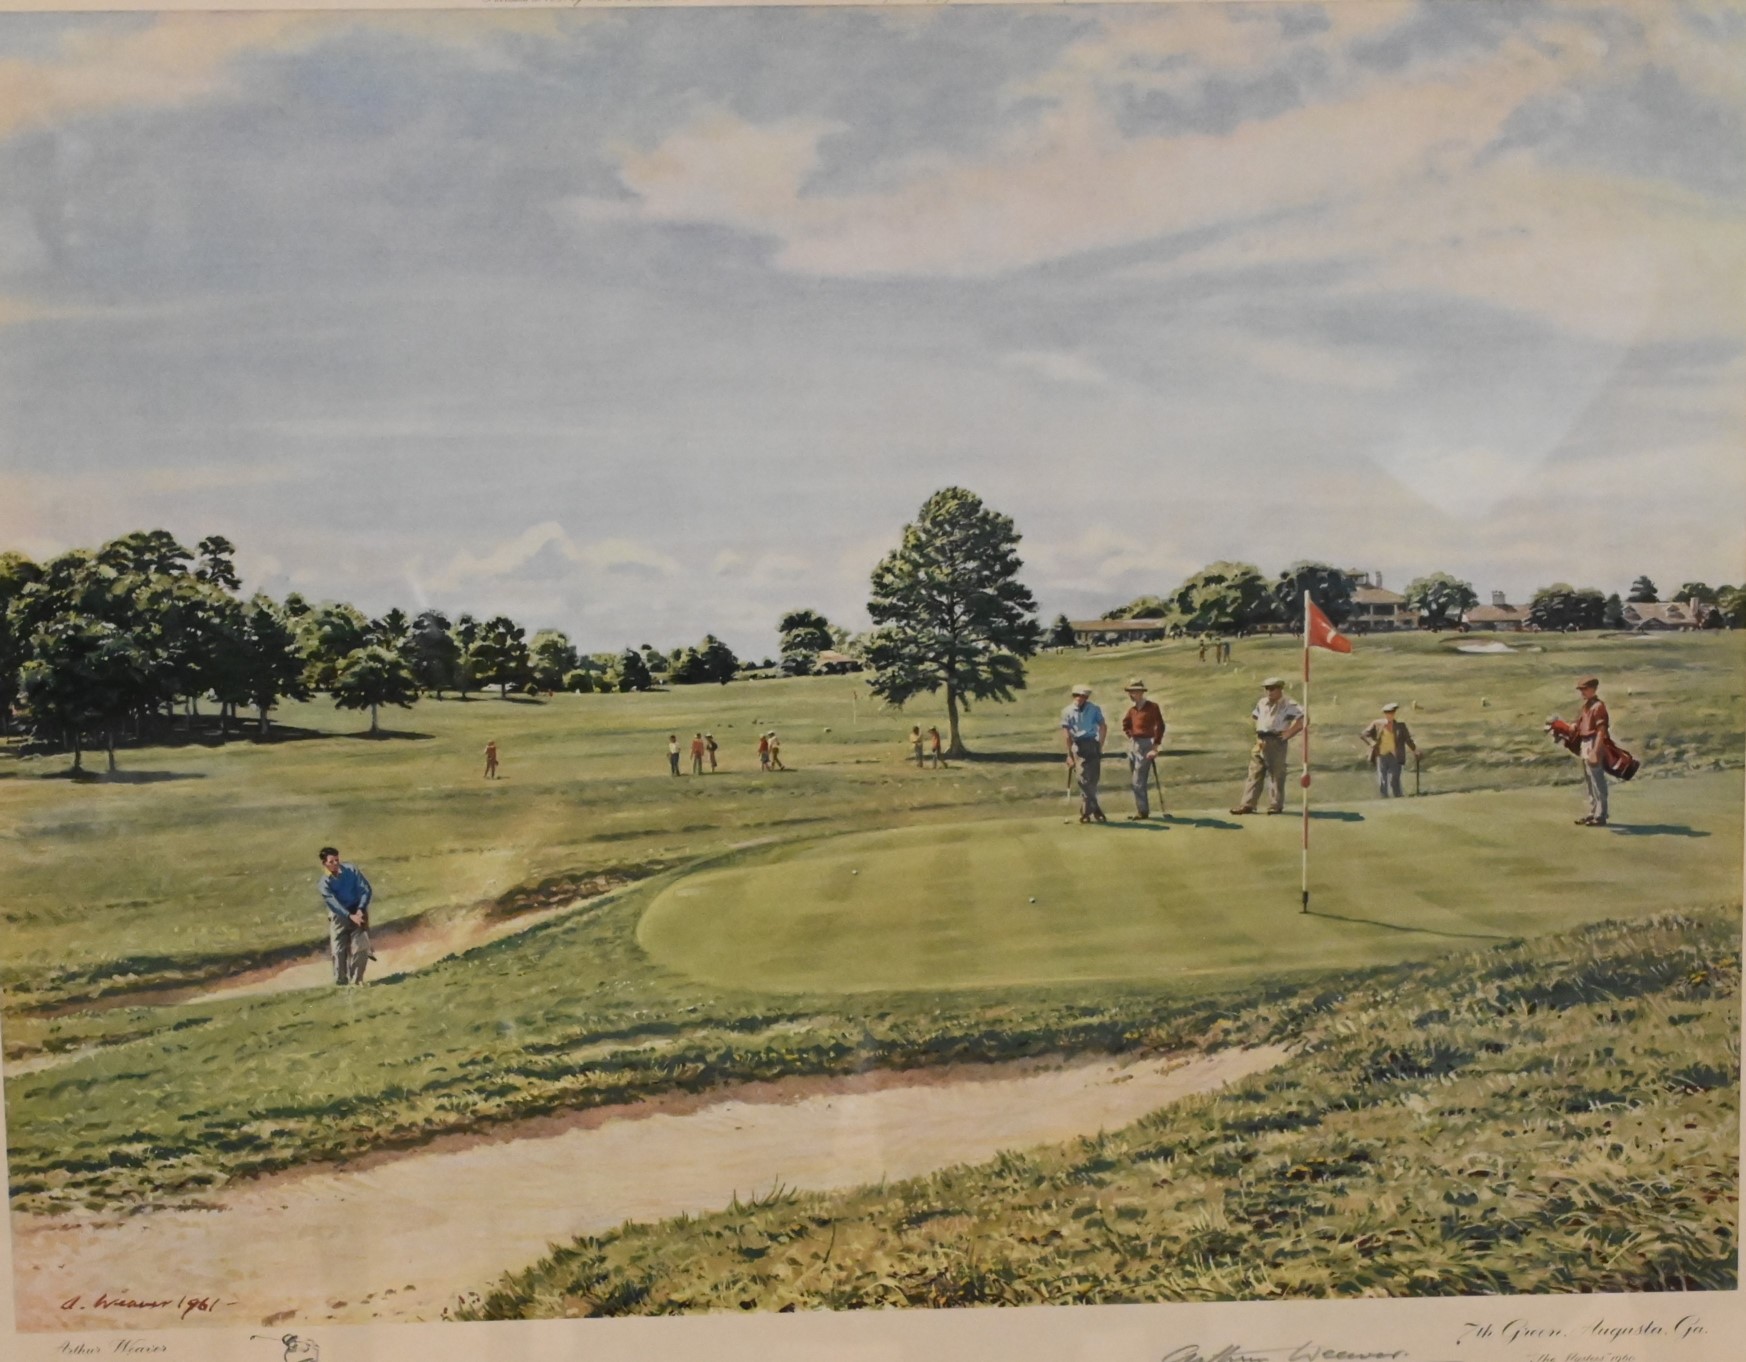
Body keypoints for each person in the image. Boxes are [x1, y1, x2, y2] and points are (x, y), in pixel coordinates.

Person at [1231, 677, 1304, 814]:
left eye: (1272, 689)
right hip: (1261, 740)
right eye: (1267, 689)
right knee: (1254, 772)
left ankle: (1275, 805)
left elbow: (1303, 719)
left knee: (1276, 773)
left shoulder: (1288, 704)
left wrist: (1289, 733)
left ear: (1280, 689)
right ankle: (1248, 804)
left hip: (1276, 740)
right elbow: (1256, 717)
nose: (1269, 692)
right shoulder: (1262, 702)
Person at [318, 846, 373, 985]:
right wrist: (349, 916)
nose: (335, 863)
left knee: (361, 947)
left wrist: (360, 909)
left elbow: (366, 889)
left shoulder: (351, 870)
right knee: (338, 951)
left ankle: (357, 980)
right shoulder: (324, 883)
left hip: (358, 910)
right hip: (339, 916)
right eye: (331, 862)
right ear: (324, 863)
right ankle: (341, 981)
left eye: (337, 860)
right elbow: (334, 904)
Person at [1061, 683, 1108, 823]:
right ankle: (1092, 810)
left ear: (1086, 697)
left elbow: (1103, 726)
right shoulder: (1067, 711)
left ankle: (1088, 812)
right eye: (1076, 695)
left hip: (1092, 744)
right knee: (1082, 779)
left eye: (1083, 696)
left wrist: (1100, 745)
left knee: (1093, 780)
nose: (1079, 698)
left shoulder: (1094, 709)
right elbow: (1066, 734)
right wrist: (1069, 754)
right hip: (1077, 745)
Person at [1120, 678, 1166, 819]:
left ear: (1141, 692)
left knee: (1138, 780)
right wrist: (1131, 736)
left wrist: (1155, 747)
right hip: (1134, 745)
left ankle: (1142, 811)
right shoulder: (1132, 710)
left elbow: (1160, 726)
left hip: (1147, 744)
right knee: (1136, 780)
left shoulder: (1152, 707)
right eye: (1130, 692)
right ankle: (1141, 810)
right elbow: (1126, 724)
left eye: (1134, 692)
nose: (1132, 694)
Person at [1571, 676, 1612, 826]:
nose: (1582, 692)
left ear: (1593, 689)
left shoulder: (1598, 706)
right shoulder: (1586, 706)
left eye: (1585, 689)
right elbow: (1579, 724)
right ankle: (1593, 811)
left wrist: (1595, 750)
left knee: (1597, 780)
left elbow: (1601, 730)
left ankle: (1601, 815)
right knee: (1589, 780)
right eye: (1581, 689)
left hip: (1594, 742)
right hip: (1585, 743)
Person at [1361, 703, 1418, 798]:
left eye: (1391, 713)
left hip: (1395, 756)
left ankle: (1398, 797)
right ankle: (1384, 799)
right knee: (1382, 781)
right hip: (1381, 755)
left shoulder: (1401, 726)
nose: (1390, 715)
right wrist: (1372, 743)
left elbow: (1408, 740)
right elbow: (1364, 734)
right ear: (1385, 714)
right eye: (1387, 713)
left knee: (1394, 780)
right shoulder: (1377, 724)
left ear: (1394, 713)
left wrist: (1415, 750)